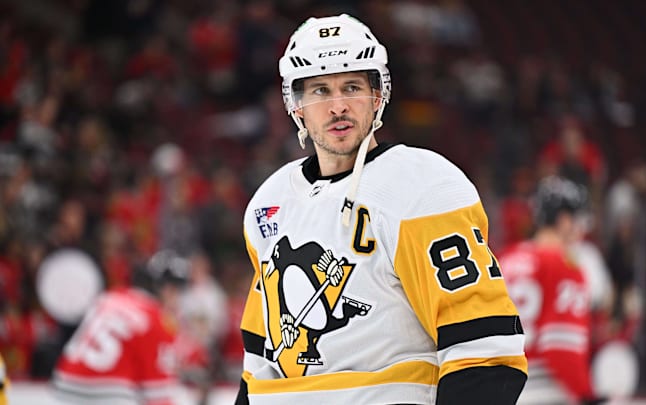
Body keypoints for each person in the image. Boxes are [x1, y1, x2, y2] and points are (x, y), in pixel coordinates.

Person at [234, 14, 527, 405]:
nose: (338, 106)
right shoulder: (269, 203)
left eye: (351, 87)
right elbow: (258, 363)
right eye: (320, 90)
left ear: (378, 95)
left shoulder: (424, 185)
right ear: (297, 104)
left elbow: (485, 352)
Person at [497, 176, 602, 404]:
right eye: (579, 220)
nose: (582, 229)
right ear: (564, 220)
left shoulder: (504, 258)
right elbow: (562, 347)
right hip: (546, 389)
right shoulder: (564, 265)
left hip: (501, 388)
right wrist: (586, 394)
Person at [51, 249, 192, 405]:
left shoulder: (111, 297)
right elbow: (159, 398)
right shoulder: (159, 320)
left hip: (64, 382)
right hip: (109, 392)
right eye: (179, 291)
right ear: (168, 289)